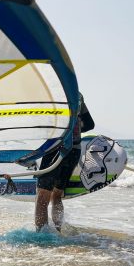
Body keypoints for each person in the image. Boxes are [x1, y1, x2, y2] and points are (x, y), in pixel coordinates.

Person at [35, 93, 94, 231]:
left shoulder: (50, 94)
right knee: (56, 194)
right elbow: (90, 124)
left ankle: (42, 236)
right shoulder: (77, 94)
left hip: (56, 149)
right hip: (74, 151)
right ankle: (57, 232)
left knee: (43, 195)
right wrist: (76, 129)